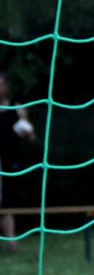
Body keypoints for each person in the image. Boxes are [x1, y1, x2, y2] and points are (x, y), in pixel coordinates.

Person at [0, 71, 39, 253]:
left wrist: (24, 122)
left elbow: (31, 137)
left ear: (6, 86)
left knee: (7, 203)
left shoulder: (16, 109)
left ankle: (12, 242)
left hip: (10, 162)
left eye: (1, 83)